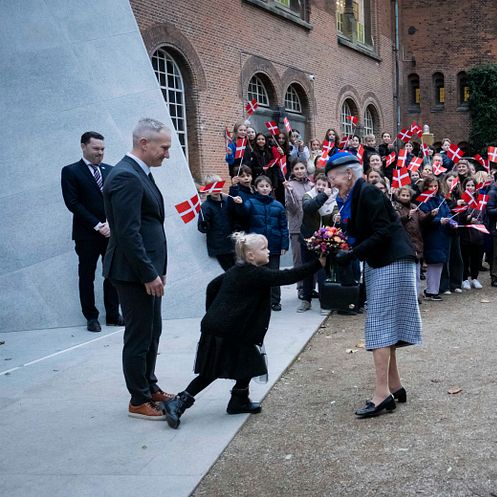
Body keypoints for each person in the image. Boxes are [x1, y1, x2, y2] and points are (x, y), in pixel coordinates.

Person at [162, 233, 324, 429]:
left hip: (228, 328)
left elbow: (212, 286)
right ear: (250, 256)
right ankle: (178, 402)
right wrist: (318, 263)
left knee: (249, 362)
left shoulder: (237, 270)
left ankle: (239, 400)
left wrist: (213, 311)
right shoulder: (255, 273)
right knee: (211, 371)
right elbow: (287, 276)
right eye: (263, 248)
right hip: (226, 330)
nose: (269, 251)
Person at [327, 152, 422, 418]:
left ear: (348, 174)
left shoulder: (367, 193)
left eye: (333, 178)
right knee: (385, 324)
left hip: (389, 261)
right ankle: (394, 385)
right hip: (386, 261)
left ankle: (381, 395)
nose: (332, 183)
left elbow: (384, 231)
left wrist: (352, 253)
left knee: (379, 325)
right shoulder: (357, 195)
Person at [102, 118, 173, 420]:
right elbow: (129, 233)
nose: (167, 154)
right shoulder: (126, 177)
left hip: (147, 270)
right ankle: (138, 400)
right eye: (164, 147)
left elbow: (150, 223)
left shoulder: (140, 173)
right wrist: (148, 273)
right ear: (144, 143)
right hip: (133, 274)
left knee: (152, 330)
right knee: (139, 335)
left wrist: (158, 269)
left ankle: (150, 385)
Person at [61, 131, 123, 332]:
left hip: (111, 233)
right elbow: (73, 203)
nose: (100, 152)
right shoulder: (70, 171)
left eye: (103, 149)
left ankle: (113, 315)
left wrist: (111, 225)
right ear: (83, 146)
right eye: (96, 148)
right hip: (86, 234)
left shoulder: (110, 170)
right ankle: (91, 317)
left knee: (112, 274)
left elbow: (116, 200)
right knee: (87, 275)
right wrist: (98, 225)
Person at [233, 175, 289, 311]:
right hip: (256, 246)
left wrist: (284, 244)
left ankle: (275, 301)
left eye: (267, 186)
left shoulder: (278, 205)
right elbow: (242, 213)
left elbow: (283, 227)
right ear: (256, 188)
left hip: (274, 245)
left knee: (274, 273)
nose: (264, 189)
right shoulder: (251, 202)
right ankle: (259, 300)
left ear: (271, 188)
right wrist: (237, 199)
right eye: (261, 186)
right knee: (257, 273)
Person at [300, 175, 338, 313]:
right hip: (307, 239)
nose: (321, 187)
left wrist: (335, 216)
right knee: (307, 270)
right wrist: (323, 196)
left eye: (324, 185)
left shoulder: (333, 199)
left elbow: (334, 212)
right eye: (319, 184)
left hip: (323, 241)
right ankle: (306, 300)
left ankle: (325, 302)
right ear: (315, 184)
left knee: (323, 271)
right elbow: (309, 208)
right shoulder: (308, 196)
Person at [284, 161, 314, 299]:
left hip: (312, 228)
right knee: (299, 260)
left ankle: (311, 287)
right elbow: (292, 208)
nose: (300, 171)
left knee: (312, 259)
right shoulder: (290, 186)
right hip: (297, 228)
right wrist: (289, 193)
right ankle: (301, 287)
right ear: (293, 171)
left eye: (302, 168)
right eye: (297, 168)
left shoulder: (311, 185)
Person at [198, 175, 241, 271]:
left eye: (217, 186)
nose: (215, 190)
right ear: (207, 189)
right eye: (211, 187)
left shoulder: (227, 201)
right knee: (230, 272)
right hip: (219, 247)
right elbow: (202, 227)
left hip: (233, 243)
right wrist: (204, 225)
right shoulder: (206, 206)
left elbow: (235, 212)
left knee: (240, 271)